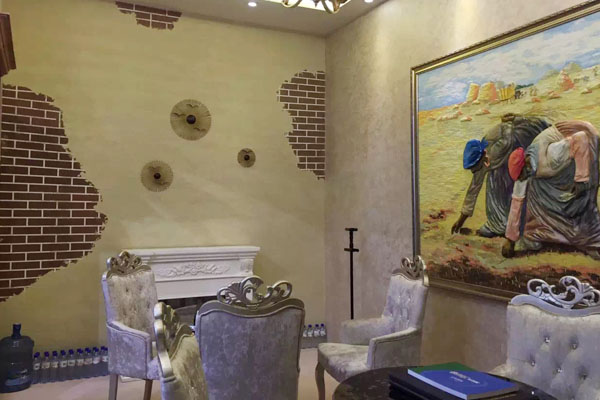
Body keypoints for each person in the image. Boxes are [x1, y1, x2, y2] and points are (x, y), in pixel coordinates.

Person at [502, 120, 600, 259]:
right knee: (536, 200)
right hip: (552, 172)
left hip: (577, 157)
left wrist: (580, 179)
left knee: (579, 201)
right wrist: (510, 239)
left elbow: (581, 138)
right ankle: (541, 234)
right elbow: (516, 202)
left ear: (527, 165)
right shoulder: (524, 173)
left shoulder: (553, 154)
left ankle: (590, 242)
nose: (521, 179)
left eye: (522, 175)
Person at [452, 114, 551, 237]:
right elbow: (474, 188)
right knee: (495, 184)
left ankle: (515, 224)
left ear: (483, 158)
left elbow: (510, 138)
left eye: (474, 167)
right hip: (505, 156)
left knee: (511, 183)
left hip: (519, 146)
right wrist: (461, 220)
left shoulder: (499, 147)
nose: (474, 171)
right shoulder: (481, 157)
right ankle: (499, 225)